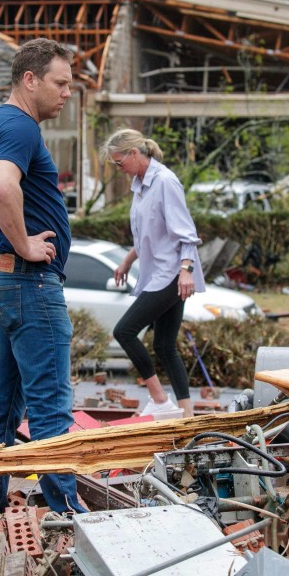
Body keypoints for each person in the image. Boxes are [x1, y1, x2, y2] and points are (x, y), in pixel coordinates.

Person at [0, 38, 85, 514]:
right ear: (30, 80)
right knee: (49, 406)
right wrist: (21, 243)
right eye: (60, 82)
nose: (67, 92)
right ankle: (68, 517)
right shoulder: (21, 127)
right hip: (27, 282)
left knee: (1, 406)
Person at [102, 128, 206, 419]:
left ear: (134, 153)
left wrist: (186, 271)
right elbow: (147, 234)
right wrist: (126, 261)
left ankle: (159, 400)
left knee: (124, 331)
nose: (118, 169)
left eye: (119, 162)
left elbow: (186, 233)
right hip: (159, 271)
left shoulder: (165, 181)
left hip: (172, 273)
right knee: (163, 346)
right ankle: (186, 416)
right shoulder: (140, 183)